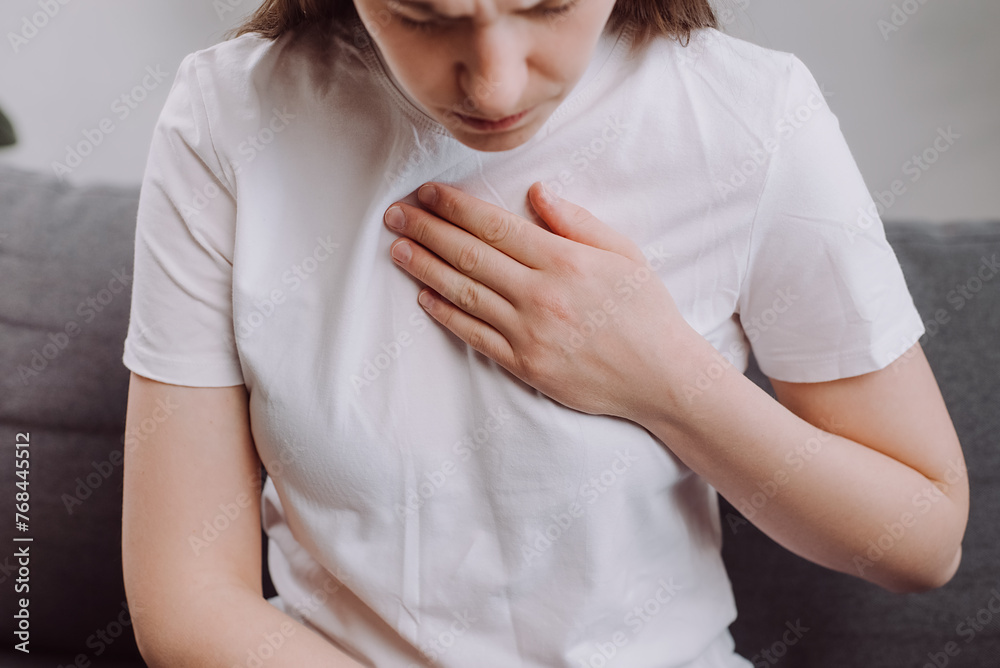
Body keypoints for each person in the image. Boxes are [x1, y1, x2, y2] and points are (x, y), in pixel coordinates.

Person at [120, 0, 970, 665]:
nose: (494, 86)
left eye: (549, 5)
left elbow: (923, 542)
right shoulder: (231, 116)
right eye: (423, 16)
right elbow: (187, 603)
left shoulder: (750, 117)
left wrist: (665, 380)